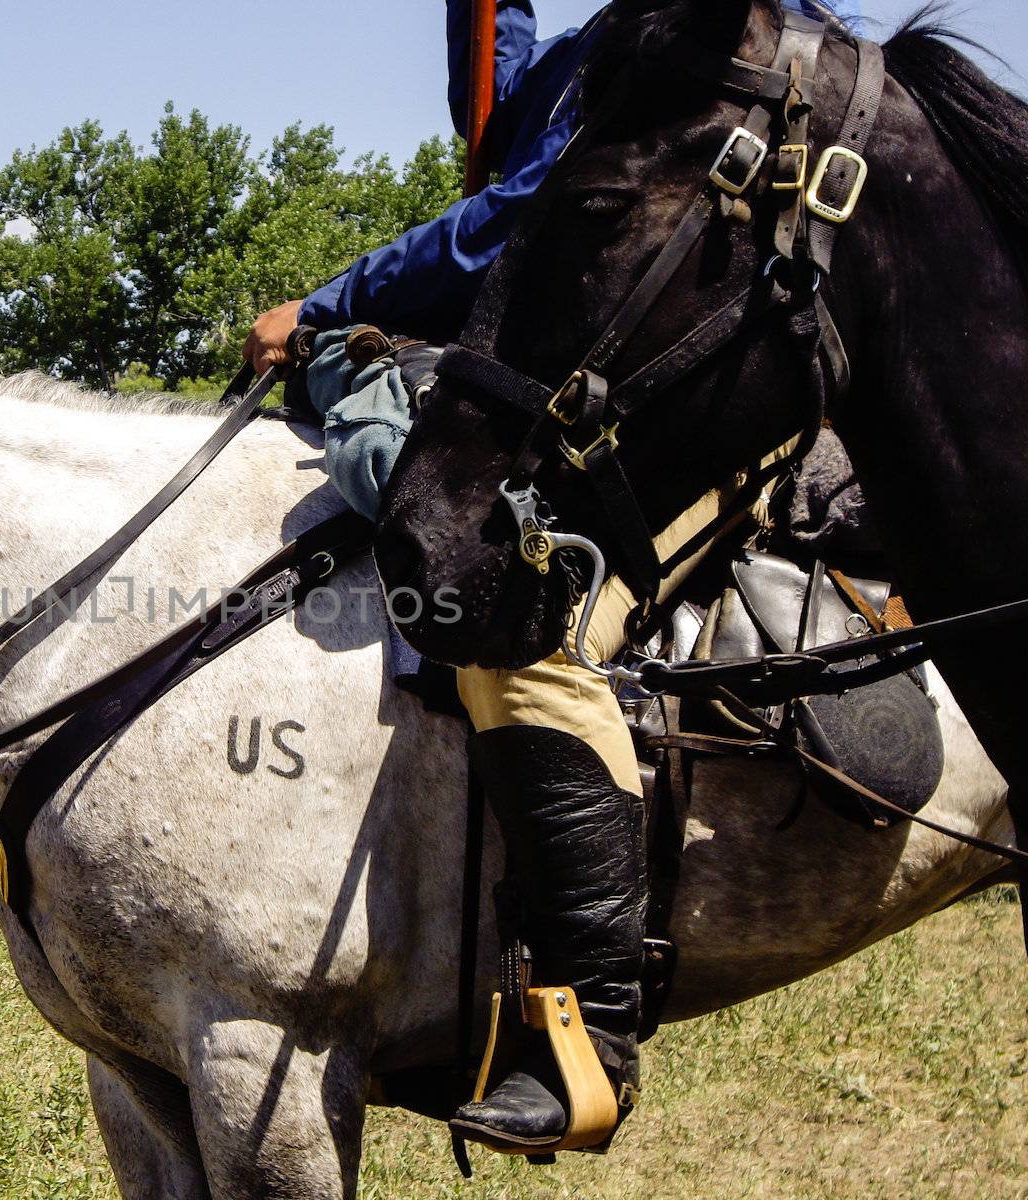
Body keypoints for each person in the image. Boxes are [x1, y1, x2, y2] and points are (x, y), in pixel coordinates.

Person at [243, 0, 860, 1157]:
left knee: (518, 625)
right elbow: (500, 103)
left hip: (719, 398)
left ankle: (585, 1034)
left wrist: (330, 303)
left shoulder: (727, 32)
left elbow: (514, 215)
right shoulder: (592, 50)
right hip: (605, 396)